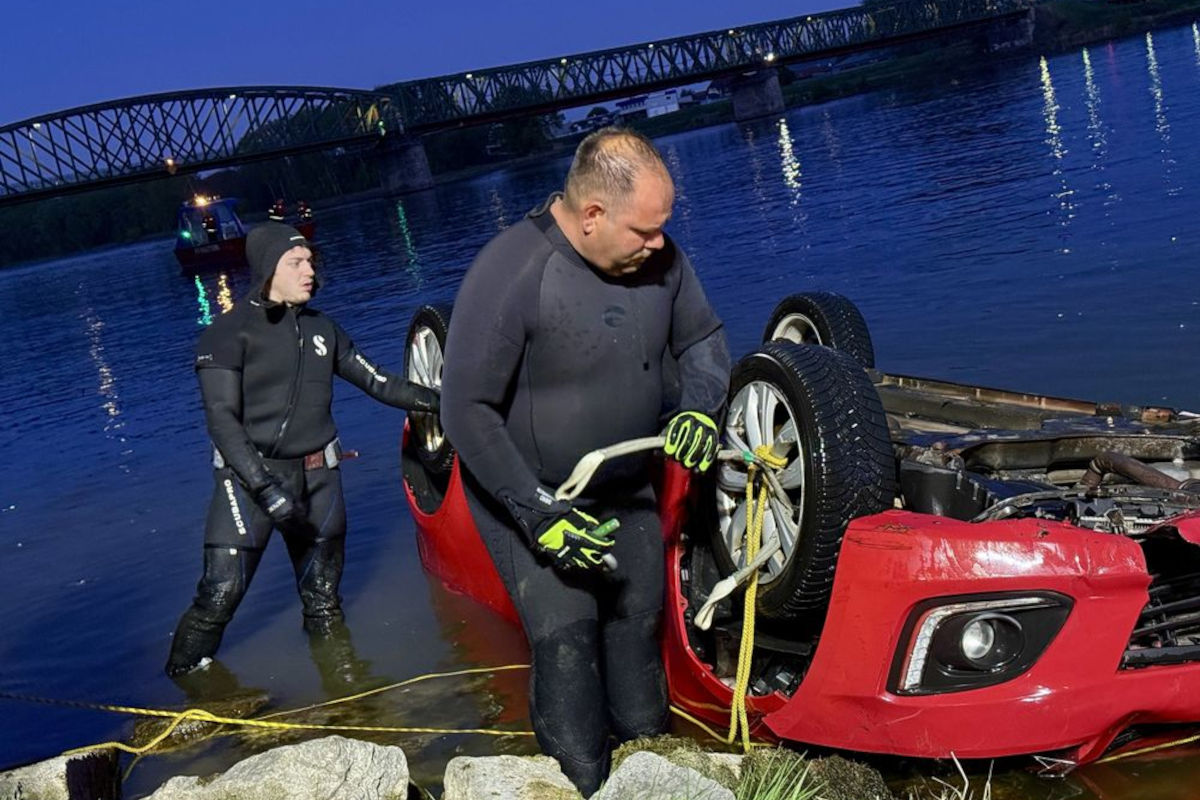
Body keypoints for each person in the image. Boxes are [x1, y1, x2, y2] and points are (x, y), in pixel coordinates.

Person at [441, 128, 731, 794]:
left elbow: (704, 342)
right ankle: (579, 784)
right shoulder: (511, 270)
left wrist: (699, 406)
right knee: (568, 650)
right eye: (644, 231)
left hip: (628, 494)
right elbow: (465, 411)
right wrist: (535, 512)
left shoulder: (662, 260)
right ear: (592, 215)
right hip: (536, 501)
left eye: (663, 229)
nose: (659, 244)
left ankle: (651, 779)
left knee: (638, 666)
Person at [165, 222, 439, 677]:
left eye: (311, 261)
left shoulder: (323, 329)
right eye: (296, 263)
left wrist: (442, 402)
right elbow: (222, 421)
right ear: (268, 268)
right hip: (249, 482)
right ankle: (183, 686)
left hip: (319, 479)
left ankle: (344, 692)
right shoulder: (227, 335)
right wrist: (263, 486)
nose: (309, 270)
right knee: (219, 596)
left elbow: (379, 383)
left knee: (324, 601)